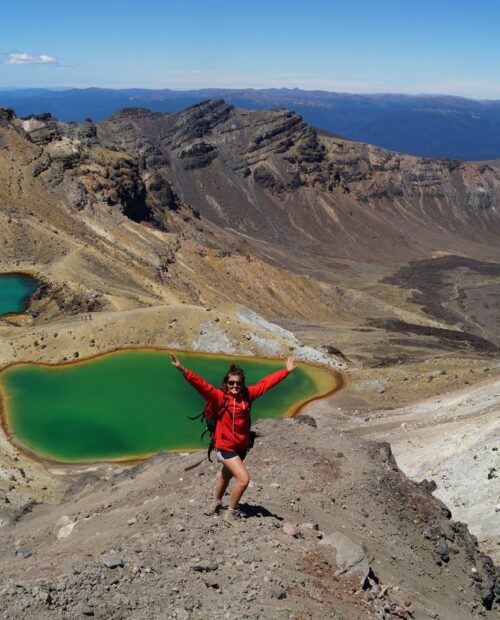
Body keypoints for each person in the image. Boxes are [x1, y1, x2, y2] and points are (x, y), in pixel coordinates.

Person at [170, 354, 296, 521]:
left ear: (242, 384)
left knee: (226, 475)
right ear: (226, 383)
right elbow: (202, 386)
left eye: (238, 383)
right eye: (231, 383)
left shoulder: (248, 395)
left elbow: (266, 384)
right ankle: (231, 512)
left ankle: (215, 503)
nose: (235, 386)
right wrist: (184, 370)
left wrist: (285, 372)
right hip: (224, 446)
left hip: (241, 447)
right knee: (244, 480)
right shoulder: (219, 397)